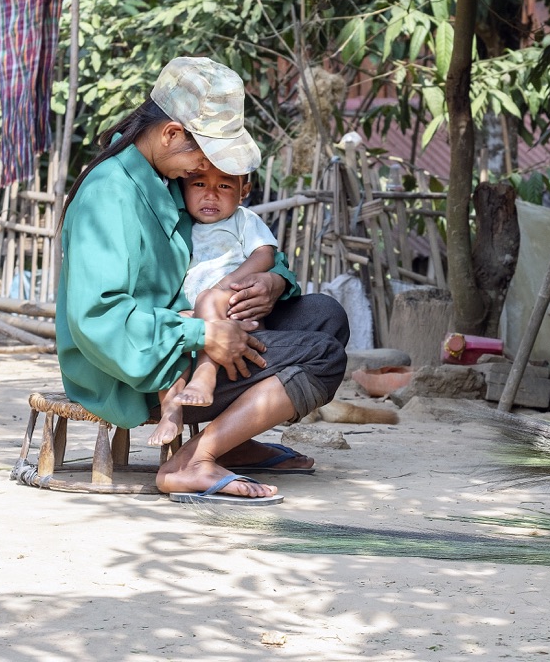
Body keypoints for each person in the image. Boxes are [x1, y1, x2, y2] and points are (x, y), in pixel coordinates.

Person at [56, 56, 350, 504]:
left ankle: (234, 438)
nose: (205, 173)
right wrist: (204, 333)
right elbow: (98, 318)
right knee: (323, 357)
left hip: (193, 336)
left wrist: (273, 282)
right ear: (172, 133)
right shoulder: (109, 195)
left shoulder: (168, 174)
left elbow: (244, 248)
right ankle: (192, 460)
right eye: (204, 156)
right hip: (137, 367)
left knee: (325, 316)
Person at [147, 166, 278, 447]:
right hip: (197, 314)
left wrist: (225, 286)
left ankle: (205, 374)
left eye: (224, 187)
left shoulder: (245, 221)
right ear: (183, 190)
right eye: (199, 185)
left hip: (232, 310)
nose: (210, 195)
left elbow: (265, 255)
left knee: (207, 298)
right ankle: (171, 409)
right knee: (173, 328)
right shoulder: (179, 227)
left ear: (244, 191)